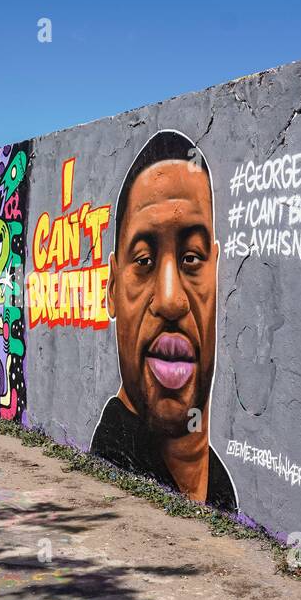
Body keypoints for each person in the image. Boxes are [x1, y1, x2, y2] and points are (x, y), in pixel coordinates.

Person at [89, 129, 236, 511]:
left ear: (216, 275)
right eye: (143, 261)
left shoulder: (223, 492)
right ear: (112, 289)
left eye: (192, 259)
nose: (171, 300)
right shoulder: (113, 478)